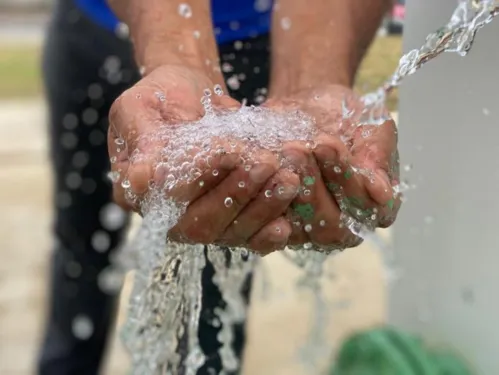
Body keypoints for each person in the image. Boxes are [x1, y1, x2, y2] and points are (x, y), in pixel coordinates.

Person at [38, 0, 400, 374]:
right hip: (96, 24)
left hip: (258, 38)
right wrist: (178, 53)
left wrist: (313, 73)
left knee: (223, 248)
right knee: (81, 248)